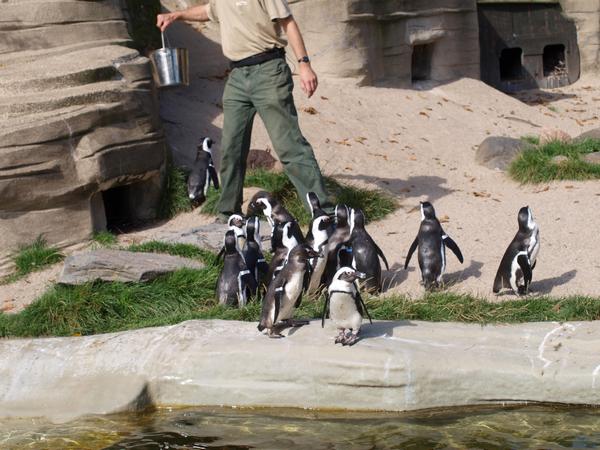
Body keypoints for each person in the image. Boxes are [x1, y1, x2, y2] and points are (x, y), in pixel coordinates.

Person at [157, 1, 331, 221]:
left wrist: (304, 64)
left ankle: (323, 213)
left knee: (289, 146)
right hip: (237, 76)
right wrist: (177, 15)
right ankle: (228, 213)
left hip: (268, 70)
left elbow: (288, 22)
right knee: (232, 148)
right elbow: (209, 11)